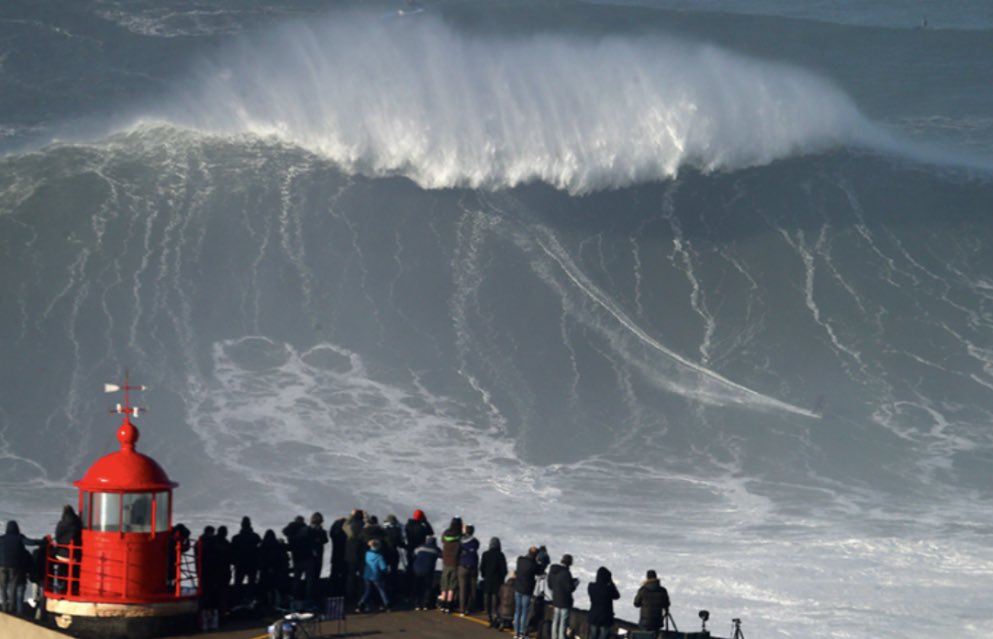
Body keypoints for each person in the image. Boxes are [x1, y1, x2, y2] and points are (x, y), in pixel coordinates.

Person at [0, 520, 41, 616]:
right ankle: (11, 609)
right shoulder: (19, 537)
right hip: (15, 566)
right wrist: (42, 542)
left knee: (3, 587)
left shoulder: (2, 538)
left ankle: (4, 607)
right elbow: (30, 542)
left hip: (1, 566)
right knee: (13, 587)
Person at [547, 554, 578, 639]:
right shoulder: (566, 573)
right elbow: (569, 589)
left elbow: (550, 585)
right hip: (565, 601)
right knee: (563, 622)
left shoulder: (553, 571)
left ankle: (554, 637)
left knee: (555, 620)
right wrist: (575, 584)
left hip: (556, 599)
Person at [231, 516, 261, 602]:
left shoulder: (236, 538)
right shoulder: (255, 537)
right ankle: (250, 599)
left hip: (240, 564)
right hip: (252, 563)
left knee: (238, 583)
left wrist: (234, 561)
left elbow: (232, 551)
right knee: (251, 583)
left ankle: (237, 600)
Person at [53, 505, 82, 594]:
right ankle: (73, 586)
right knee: (73, 570)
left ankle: (61, 585)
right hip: (73, 553)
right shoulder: (77, 523)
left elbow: (57, 536)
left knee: (62, 569)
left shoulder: (61, 523)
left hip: (61, 553)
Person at [513, 546, 541, 639]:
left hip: (518, 588)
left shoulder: (520, 560)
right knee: (524, 611)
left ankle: (516, 632)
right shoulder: (533, 565)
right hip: (527, 590)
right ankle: (522, 633)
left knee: (517, 610)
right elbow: (539, 572)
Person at [480, 537, 507, 627]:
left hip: (487, 580)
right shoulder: (500, 555)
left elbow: (482, 567)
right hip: (497, 581)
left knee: (487, 598)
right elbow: (504, 570)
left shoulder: (485, 554)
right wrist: (502, 579)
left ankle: (488, 617)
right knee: (496, 600)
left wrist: (484, 576)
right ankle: (495, 617)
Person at [258, 529, 288, 611]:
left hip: (264, 571)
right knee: (274, 588)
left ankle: (265, 604)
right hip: (275, 571)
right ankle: (274, 604)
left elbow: (260, 558)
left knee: (264, 588)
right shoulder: (277, 546)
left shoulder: (262, 546)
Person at [356, 539, 389, 613]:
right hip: (376, 575)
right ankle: (387, 604)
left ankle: (360, 604)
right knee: (381, 590)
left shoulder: (367, 554)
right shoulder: (379, 556)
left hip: (367, 575)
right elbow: (383, 567)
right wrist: (386, 570)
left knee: (367, 591)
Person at [587, 566, 620, 639]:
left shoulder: (591, 586)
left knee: (593, 636)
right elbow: (617, 596)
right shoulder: (608, 589)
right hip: (606, 618)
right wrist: (611, 583)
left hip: (594, 616)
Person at [304, 512, 329, 604]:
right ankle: (312, 596)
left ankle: (309, 596)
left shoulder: (307, 529)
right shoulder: (321, 531)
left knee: (310, 577)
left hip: (309, 556)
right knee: (314, 576)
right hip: (317, 556)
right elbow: (325, 540)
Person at [439, 517, 462, 614]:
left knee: (445, 583)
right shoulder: (459, 537)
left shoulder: (446, 535)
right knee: (452, 585)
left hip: (445, 562)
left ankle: (442, 605)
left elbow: (442, 539)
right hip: (454, 563)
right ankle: (449, 606)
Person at [411, 535, 441, 610]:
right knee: (427, 587)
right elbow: (443, 555)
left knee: (418, 586)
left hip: (417, 569)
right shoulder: (435, 549)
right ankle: (425, 604)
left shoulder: (420, 547)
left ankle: (417, 604)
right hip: (428, 570)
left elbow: (413, 554)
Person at [457, 524, 480, 615]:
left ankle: (462, 609)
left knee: (463, 589)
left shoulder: (461, 541)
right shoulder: (475, 542)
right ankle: (470, 608)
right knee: (472, 588)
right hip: (473, 566)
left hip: (463, 566)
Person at [381, 515, 405, 601]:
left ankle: (384, 591)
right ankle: (393, 592)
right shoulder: (397, 530)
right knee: (394, 573)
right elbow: (400, 543)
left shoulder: (383, 530)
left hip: (385, 554)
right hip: (394, 554)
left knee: (384, 573)